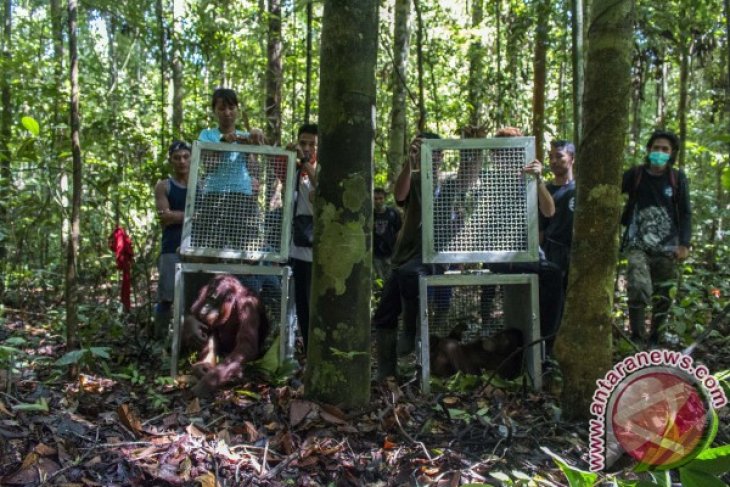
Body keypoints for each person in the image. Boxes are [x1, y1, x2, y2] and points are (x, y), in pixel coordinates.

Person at [372, 132, 450, 380]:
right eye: (425, 150)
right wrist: (410, 161)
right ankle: (386, 371)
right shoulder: (415, 179)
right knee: (384, 312)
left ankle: (411, 333)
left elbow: (468, 180)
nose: (431, 156)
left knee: (411, 278)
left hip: (433, 256)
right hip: (406, 255)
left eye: (434, 151)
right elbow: (400, 195)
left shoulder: (448, 184)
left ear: (441, 155)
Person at [485, 127, 564, 357]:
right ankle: (531, 344)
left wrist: (538, 181)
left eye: (513, 151)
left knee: (552, 274)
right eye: (501, 153)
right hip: (498, 254)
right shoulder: (489, 181)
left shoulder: (529, 180)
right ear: (495, 156)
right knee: (550, 273)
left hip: (529, 255)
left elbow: (549, 211)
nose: (507, 157)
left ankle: (544, 345)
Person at [621, 130, 691, 346]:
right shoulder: (635, 174)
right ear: (648, 150)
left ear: (671, 154)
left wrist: (684, 244)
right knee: (638, 286)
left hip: (667, 246)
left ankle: (656, 338)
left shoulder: (677, 178)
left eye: (665, 149)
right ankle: (637, 336)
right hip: (637, 243)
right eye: (656, 148)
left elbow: (686, 212)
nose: (660, 152)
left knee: (664, 293)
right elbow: (612, 190)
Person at [195, 88, 265, 249]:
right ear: (214, 111)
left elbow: (255, 168)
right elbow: (208, 164)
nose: (227, 113)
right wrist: (223, 143)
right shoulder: (207, 135)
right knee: (209, 251)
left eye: (231, 108)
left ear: (237, 110)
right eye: (222, 108)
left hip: (243, 198)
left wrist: (255, 139)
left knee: (249, 251)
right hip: (214, 196)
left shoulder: (245, 136)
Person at [153, 140, 191, 339]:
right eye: (177, 158)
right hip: (171, 247)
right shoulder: (164, 186)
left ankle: (186, 341)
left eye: (185, 157)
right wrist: (194, 215)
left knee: (193, 297)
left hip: (194, 249)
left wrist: (178, 216)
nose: (182, 161)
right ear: (171, 161)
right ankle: (158, 340)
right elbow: (165, 217)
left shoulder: (200, 185)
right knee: (167, 297)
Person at [287, 123, 319, 352]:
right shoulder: (294, 167)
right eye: (303, 143)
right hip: (296, 246)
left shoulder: (320, 168)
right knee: (302, 303)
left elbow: (324, 187)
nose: (306, 147)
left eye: (311, 144)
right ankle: (308, 350)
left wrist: (306, 163)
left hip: (319, 245)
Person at [540, 140, 576, 324]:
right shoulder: (544, 190)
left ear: (572, 159)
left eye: (559, 156)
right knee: (552, 301)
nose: (554, 161)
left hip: (576, 253)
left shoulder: (580, 190)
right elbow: (540, 228)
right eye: (551, 157)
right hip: (552, 253)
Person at [372, 188, 402, 284]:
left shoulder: (392, 213)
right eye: (375, 198)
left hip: (390, 253)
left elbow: (399, 232)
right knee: (379, 281)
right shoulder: (369, 214)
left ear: (384, 198)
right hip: (375, 255)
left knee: (391, 280)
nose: (378, 201)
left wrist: (396, 251)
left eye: (380, 198)